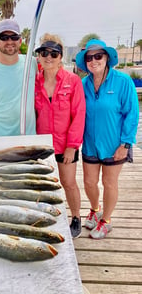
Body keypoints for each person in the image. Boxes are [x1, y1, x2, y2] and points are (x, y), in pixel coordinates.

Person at [76, 39, 139, 239]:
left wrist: (126, 143)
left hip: (115, 145)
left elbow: (132, 113)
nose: (94, 60)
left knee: (109, 183)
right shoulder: (82, 84)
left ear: (107, 58)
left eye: (98, 56)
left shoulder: (123, 82)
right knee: (89, 182)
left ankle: (106, 221)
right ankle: (95, 209)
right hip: (90, 145)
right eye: (89, 57)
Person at [35, 33, 86, 238]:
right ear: (38, 55)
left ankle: (75, 218)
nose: (49, 57)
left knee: (68, 183)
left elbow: (79, 114)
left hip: (66, 145)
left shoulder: (72, 81)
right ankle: (49, 218)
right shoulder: (33, 82)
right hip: (42, 146)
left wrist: (72, 145)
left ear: (60, 56)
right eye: (44, 52)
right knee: (44, 185)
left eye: (54, 53)